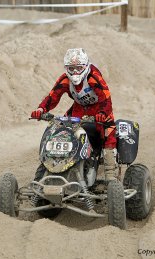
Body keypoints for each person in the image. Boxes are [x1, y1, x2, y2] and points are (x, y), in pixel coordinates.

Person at [31, 48, 117, 181]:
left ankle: (111, 176)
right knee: (64, 130)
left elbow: (106, 98)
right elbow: (52, 96)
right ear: (66, 68)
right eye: (71, 68)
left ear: (86, 66)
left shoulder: (93, 77)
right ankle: (56, 166)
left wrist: (102, 113)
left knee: (108, 133)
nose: (75, 72)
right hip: (80, 108)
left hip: (100, 108)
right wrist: (41, 109)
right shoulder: (65, 80)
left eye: (78, 68)